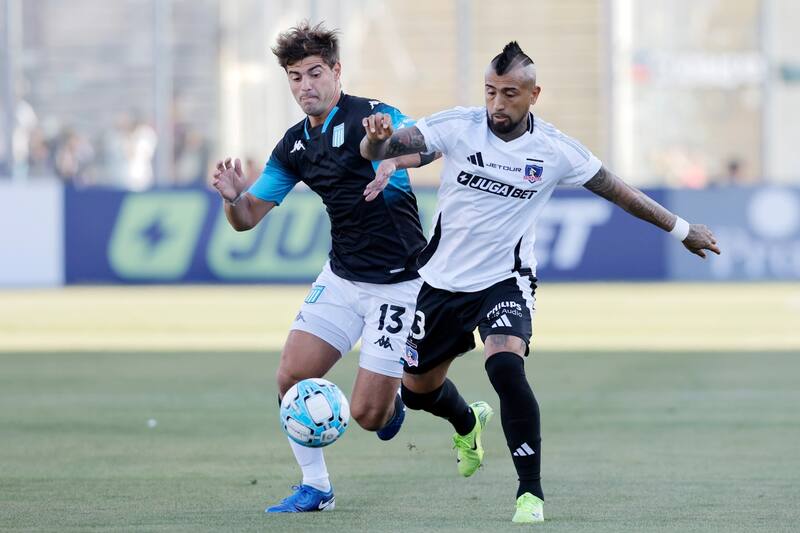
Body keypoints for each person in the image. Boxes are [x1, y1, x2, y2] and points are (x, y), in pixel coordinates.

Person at [360, 41, 720, 524]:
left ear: (534, 95)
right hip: (442, 281)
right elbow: (383, 148)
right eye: (490, 92)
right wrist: (378, 143)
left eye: (510, 93)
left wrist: (681, 229)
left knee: (506, 367)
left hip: (505, 280)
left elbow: (619, 191)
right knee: (418, 392)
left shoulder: (554, 150)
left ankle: (530, 493)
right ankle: (468, 421)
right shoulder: (458, 126)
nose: (497, 104)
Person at [211, 22, 438, 513]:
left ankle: (393, 400)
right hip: (341, 277)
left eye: (314, 73)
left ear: (336, 71)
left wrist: (390, 155)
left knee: (368, 416)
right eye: (295, 77)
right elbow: (247, 217)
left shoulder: (373, 116)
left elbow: (429, 145)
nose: (304, 86)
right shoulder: (294, 146)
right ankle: (317, 488)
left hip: (399, 284)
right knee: (290, 375)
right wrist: (232, 200)